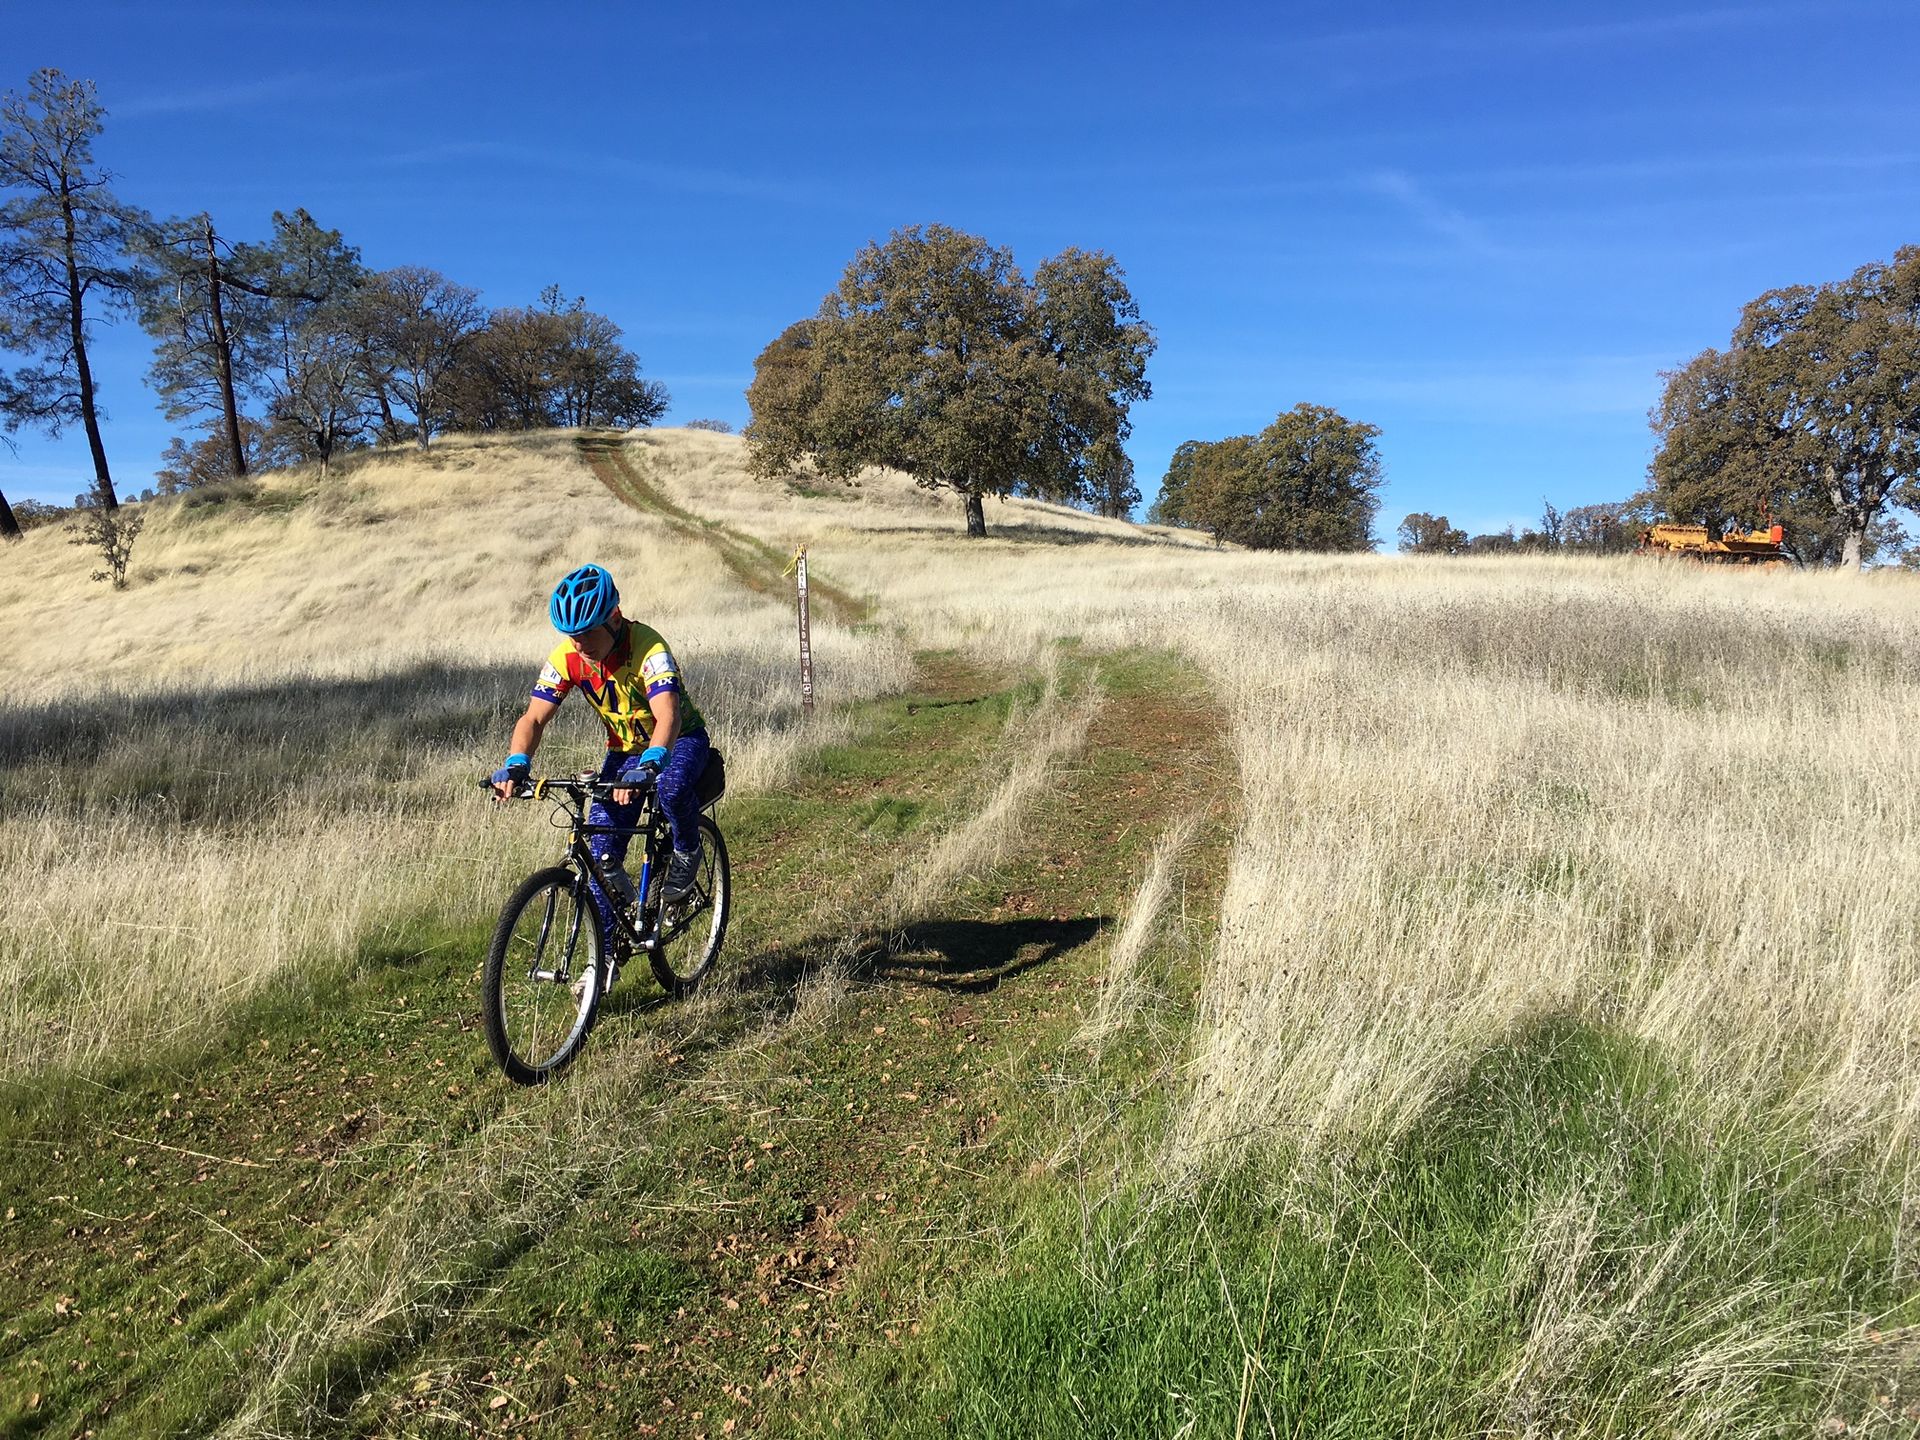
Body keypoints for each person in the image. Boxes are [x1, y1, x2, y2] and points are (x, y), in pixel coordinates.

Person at [490, 564, 711, 931]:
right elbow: (533, 719)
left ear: (614, 617)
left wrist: (652, 763)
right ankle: (606, 958)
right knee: (600, 854)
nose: (579, 643)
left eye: (587, 632)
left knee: (670, 789)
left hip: (680, 740)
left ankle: (687, 851)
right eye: (571, 634)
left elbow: (668, 717)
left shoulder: (648, 648)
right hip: (624, 752)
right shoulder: (568, 657)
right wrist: (516, 762)